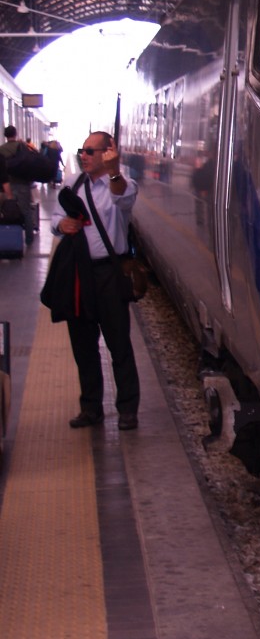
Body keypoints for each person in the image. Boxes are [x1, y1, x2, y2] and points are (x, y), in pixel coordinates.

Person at [48, 131, 141, 430]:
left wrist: (114, 172)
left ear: (108, 153)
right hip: (79, 274)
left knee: (118, 343)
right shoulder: (73, 184)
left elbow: (123, 198)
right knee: (83, 345)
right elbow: (55, 218)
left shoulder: (121, 184)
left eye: (90, 151)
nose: (83, 156)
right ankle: (90, 408)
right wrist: (61, 224)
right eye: (82, 150)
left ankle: (127, 409)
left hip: (109, 274)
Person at [0, 125, 37, 245]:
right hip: (22, 184)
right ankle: (29, 239)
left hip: (5, 186)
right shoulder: (22, 147)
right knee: (26, 212)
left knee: (8, 212)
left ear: (5, 135)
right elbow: (33, 159)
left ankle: (10, 240)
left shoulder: (1, 149)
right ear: (15, 134)